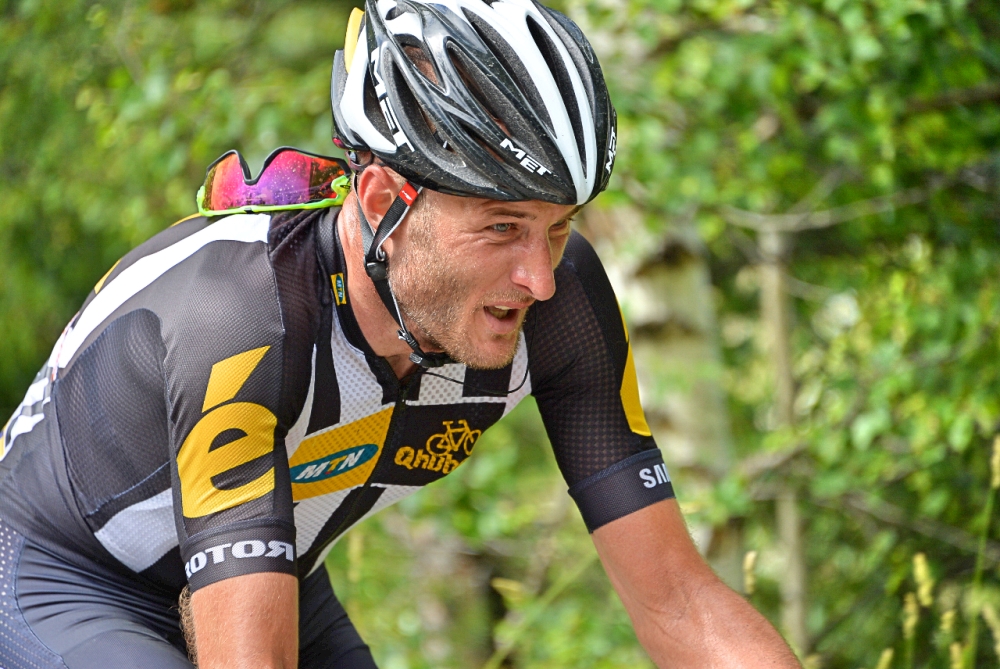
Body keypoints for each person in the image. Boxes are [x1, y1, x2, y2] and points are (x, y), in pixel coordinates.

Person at [0, 0, 800, 666]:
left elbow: (683, 603)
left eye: (559, 229)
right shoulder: (242, 319)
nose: (540, 277)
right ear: (383, 200)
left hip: (275, 565)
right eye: (502, 226)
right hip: (58, 574)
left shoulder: (563, 303)